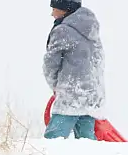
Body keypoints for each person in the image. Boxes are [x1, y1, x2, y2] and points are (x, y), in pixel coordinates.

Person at [43, 0, 105, 140]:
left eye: (55, 9)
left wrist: (55, 85)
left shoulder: (62, 30)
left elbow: (50, 64)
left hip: (70, 95)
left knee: (53, 140)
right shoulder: (91, 29)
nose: (52, 13)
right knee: (87, 141)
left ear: (65, 9)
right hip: (90, 95)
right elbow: (98, 60)